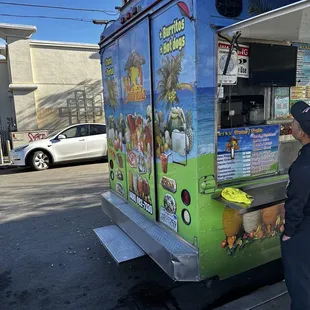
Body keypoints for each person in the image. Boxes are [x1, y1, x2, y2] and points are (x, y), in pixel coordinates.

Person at [281, 100, 310, 310]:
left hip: (303, 232)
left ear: (301, 133)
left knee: (300, 285)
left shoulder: (303, 166)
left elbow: (296, 204)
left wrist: (288, 233)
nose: (291, 124)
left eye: (295, 122)